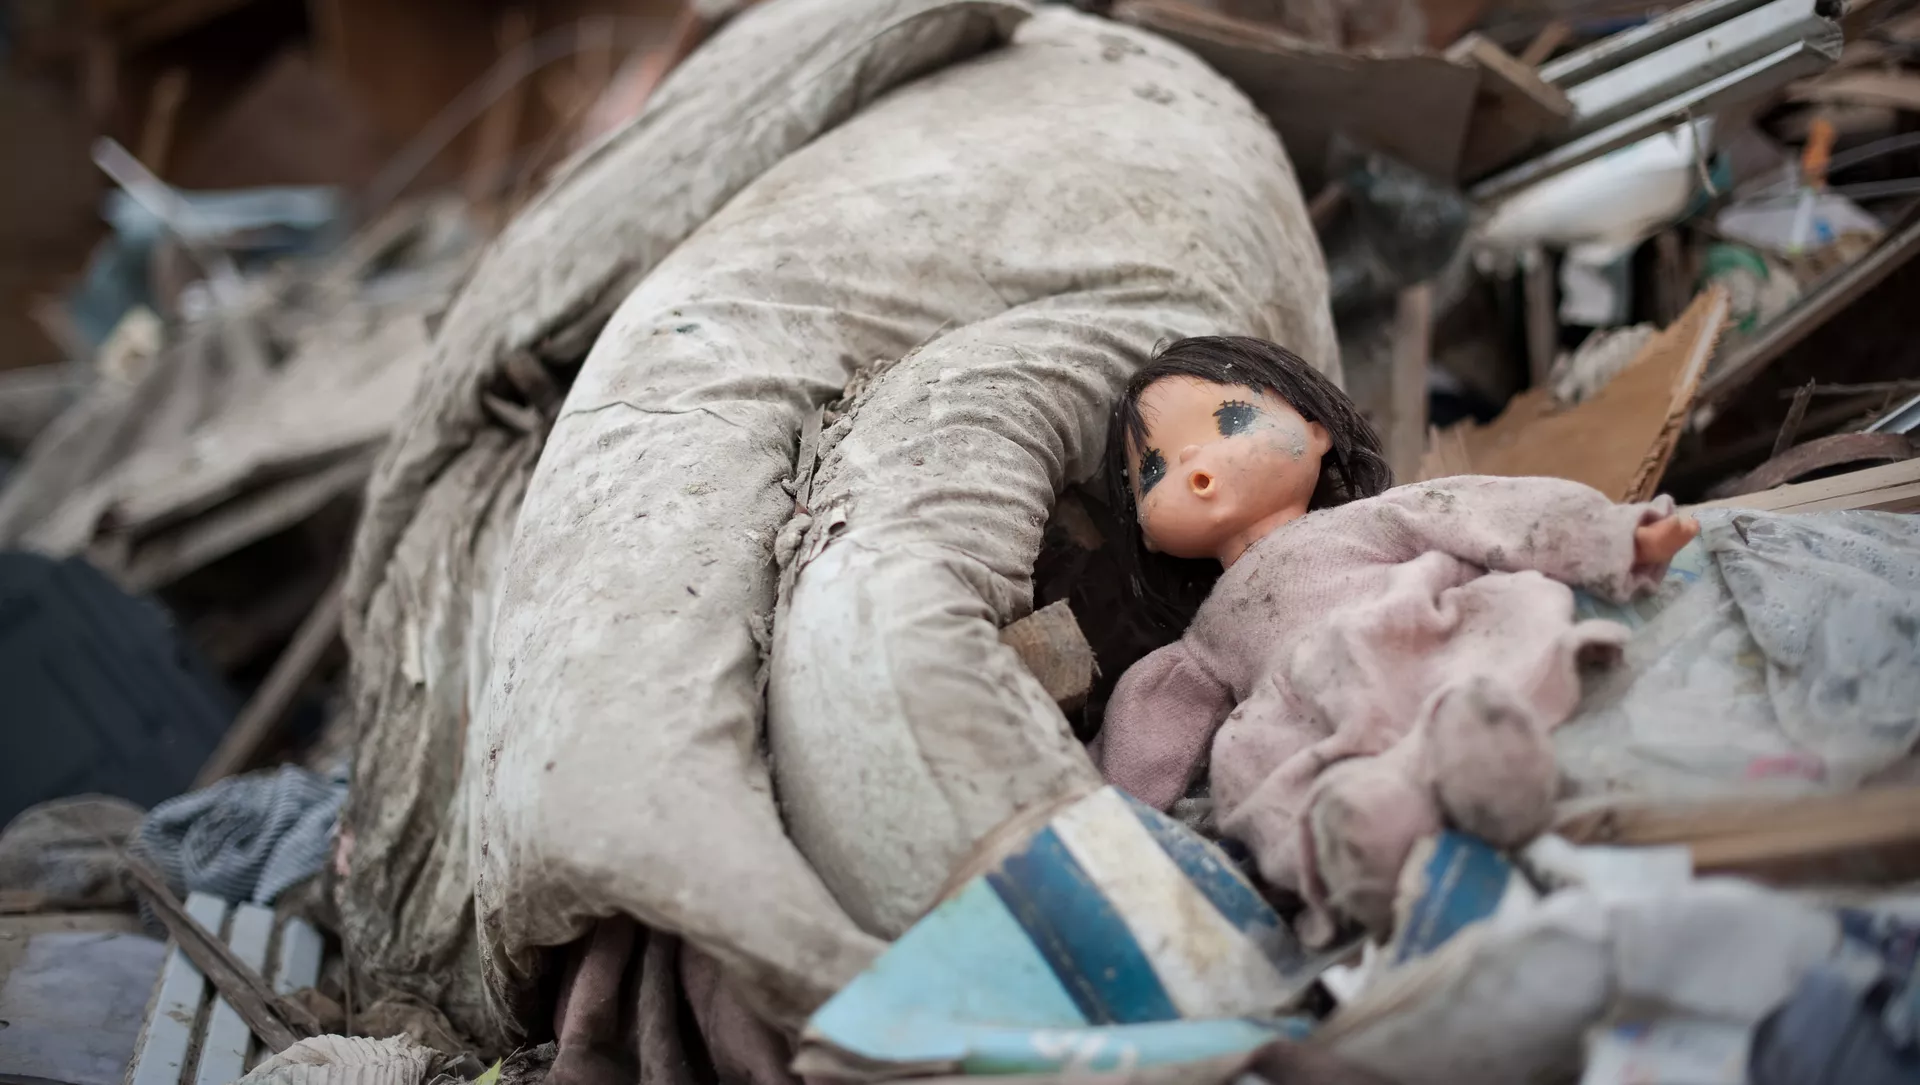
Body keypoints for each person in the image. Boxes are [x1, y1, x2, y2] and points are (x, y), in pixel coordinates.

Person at [1094, 336, 1697, 941]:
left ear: (1316, 429)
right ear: (1146, 533)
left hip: (1418, 643)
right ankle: (1368, 843)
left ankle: (1482, 760)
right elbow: (1154, 718)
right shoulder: (1207, 640)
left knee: (1473, 697)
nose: (1196, 465)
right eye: (1155, 470)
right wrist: (1103, 813)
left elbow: (1485, 512)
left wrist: (1610, 536)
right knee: (1295, 787)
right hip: (1307, 720)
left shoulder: (1371, 520)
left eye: (1233, 421)